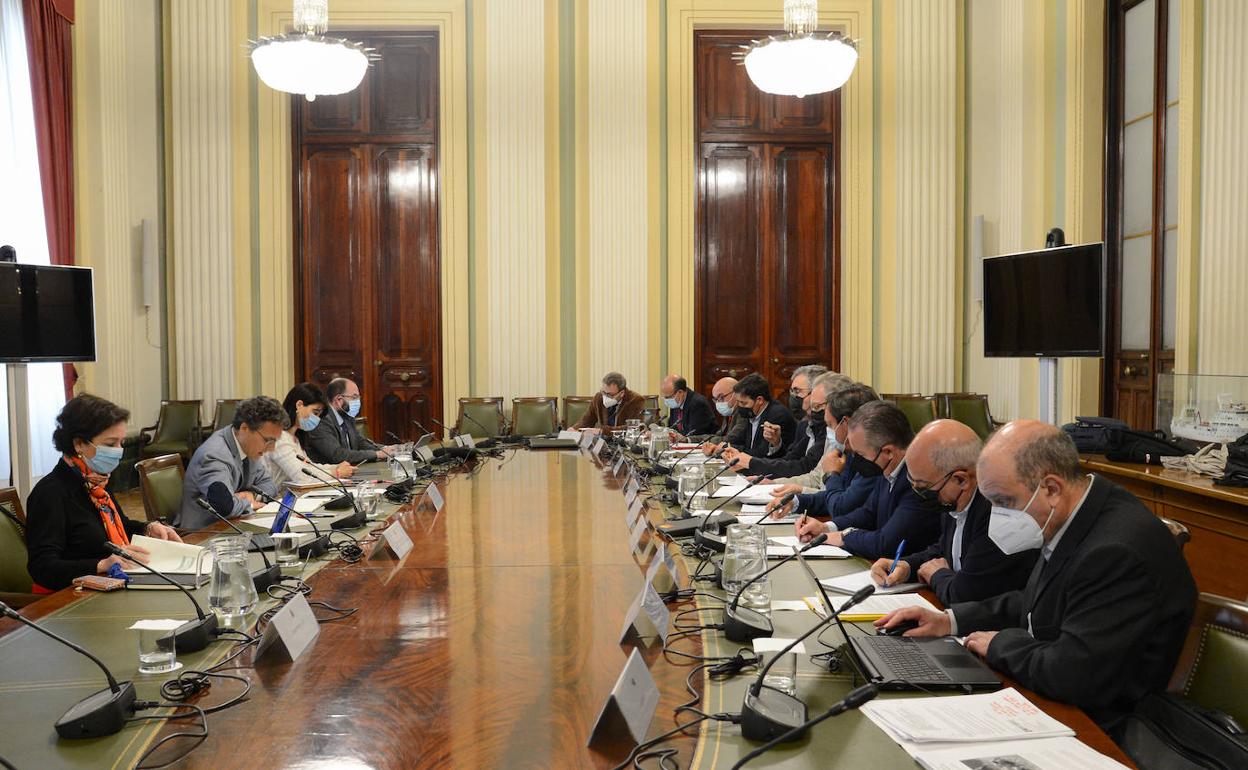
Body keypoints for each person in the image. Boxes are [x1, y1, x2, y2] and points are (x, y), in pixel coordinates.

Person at [876, 421, 1197, 738]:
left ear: (1052, 488)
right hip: (1058, 696)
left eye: (1004, 502)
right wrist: (950, 621)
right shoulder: (1080, 511)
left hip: (1103, 724)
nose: (998, 515)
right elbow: (1036, 600)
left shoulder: (1115, 550)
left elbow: (1072, 674)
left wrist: (1000, 644)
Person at [867, 420, 1038, 604]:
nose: (918, 493)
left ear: (961, 480)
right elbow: (943, 549)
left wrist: (938, 575)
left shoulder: (997, 514)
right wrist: (907, 566)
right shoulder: (951, 497)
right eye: (912, 482)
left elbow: (964, 595)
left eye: (923, 487)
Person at [25, 395, 181, 592]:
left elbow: (119, 527)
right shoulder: (50, 493)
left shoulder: (95, 481)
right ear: (79, 444)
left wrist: (147, 528)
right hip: (68, 601)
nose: (119, 451)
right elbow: (43, 568)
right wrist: (101, 565)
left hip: (110, 587)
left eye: (121, 443)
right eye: (110, 444)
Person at [791, 400, 941, 559]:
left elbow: (885, 544)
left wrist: (843, 537)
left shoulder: (919, 481)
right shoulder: (888, 467)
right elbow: (868, 513)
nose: (855, 460)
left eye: (860, 455)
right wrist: (826, 528)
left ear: (888, 452)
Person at [767, 380, 879, 518]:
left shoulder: (872, 461)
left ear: (846, 423)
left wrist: (831, 475)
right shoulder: (850, 452)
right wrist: (795, 502)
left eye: (830, 425)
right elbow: (832, 497)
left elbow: (841, 506)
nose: (829, 432)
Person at [173, 396, 285, 530]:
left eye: (274, 442)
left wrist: (252, 495)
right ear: (244, 428)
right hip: (204, 533)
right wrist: (248, 504)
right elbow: (224, 506)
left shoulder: (248, 447)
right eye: (268, 441)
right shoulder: (214, 455)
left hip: (234, 524)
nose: (271, 448)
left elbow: (270, 485)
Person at [728, 367, 838, 478]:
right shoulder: (805, 424)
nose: (792, 396)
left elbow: (804, 467)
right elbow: (789, 459)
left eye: (797, 391)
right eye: (791, 391)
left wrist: (751, 463)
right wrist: (776, 444)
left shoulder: (827, 427)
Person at [261, 382, 357, 490]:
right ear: (299, 405)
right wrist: (336, 473)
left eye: (319, 416)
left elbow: (309, 467)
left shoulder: (295, 438)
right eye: (315, 413)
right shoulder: (280, 438)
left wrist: (336, 467)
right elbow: (302, 477)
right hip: (274, 500)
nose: (317, 419)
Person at [304, 378, 396, 464]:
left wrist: (386, 449)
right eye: (354, 397)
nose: (358, 401)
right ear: (339, 400)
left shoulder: (347, 417)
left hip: (350, 472)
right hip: (330, 476)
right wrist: (377, 454)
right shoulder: (321, 420)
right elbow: (338, 455)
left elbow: (360, 442)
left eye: (358, 397)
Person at [722, 373, 797, 458]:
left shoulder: (777, 415)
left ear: (760, 400)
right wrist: (723, 448)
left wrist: (729, 448)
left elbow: (761, 454)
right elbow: (738, 441)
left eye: (743, 403)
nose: (740, 406)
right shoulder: (751, 412)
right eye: (738, 402)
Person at [572, 372, 645, 434]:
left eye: (610, 394)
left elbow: (633, 428)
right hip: (602, 444)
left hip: (623, 444)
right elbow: (586, 420)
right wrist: (574, 429)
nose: (605, 396)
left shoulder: (636, 400)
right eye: (603, 392)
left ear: (622, 393)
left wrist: (603, 431)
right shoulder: (599, 398)